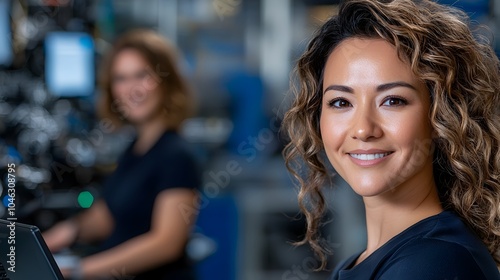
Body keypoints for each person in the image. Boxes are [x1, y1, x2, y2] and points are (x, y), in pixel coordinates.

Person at [282, 0, 500, 279]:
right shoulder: (366, 262)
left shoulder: (433, 265)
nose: (363, 129)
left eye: (392, 100)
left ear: (441, 116)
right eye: (340, 102)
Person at [43, 29, 201, 280]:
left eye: (142, 75)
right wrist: (43, 244)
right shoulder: (134, 149)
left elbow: (166, 243)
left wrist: (78, 271)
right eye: (121, 78)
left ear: (166, 80)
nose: (132, 89)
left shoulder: (176, 155)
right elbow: (106, 216)